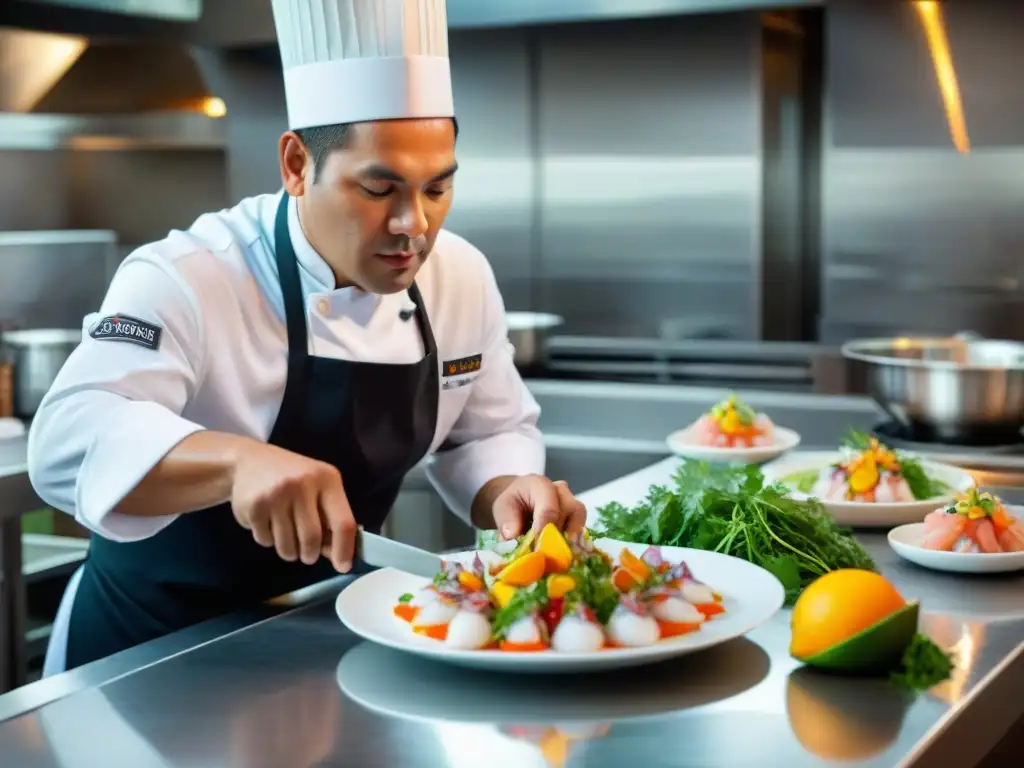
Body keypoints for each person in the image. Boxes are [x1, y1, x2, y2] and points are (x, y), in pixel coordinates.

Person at [28, 0, 586, 674]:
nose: (414, 225)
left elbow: (486, 429)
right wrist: (236, 463)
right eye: (379, 188)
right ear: (296, 164)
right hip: (145, 656)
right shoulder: (189, 275)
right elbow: (65, 441)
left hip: (325, 636)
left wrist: (506, 489)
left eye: (438, 189)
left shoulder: (459, 275)